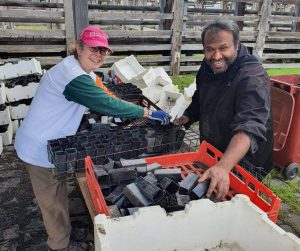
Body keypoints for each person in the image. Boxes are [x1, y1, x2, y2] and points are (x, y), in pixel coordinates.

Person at [14, 26, 170, 251]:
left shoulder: (82, 71)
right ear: (79, 47)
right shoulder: (72, 75)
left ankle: (64, 231)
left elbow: (104, 92)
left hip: (51, 140)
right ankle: (59, 245)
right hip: (38, 146)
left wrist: (128, 105)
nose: (98, 54)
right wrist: (147, 113)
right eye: (93, 49)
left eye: (103, 51)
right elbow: (107, 104)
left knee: (58, 189)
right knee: (52, 200)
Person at [175, 19, 273, 201]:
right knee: (205, 198)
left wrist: (224, 166)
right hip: (213, 148)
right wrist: (188, 116)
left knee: (236, 202)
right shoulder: (207, 66)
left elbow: (250, 125)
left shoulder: (252, 75)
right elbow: (200, 96)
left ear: (236, 45)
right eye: (210, 49)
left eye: (223, 48)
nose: (216, 56)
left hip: (244, 158)